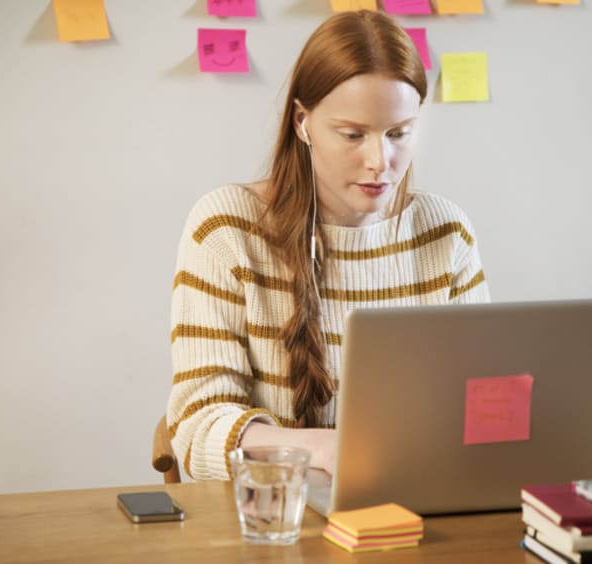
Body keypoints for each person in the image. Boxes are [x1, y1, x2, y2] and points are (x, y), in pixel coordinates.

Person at [167, 9, 490, 481]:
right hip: (275, 523)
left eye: (399, 133)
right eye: (353, 134)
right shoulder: (226, 229)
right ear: (303, 122)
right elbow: (197, 428)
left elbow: (480, 404)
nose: (381, 161)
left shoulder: (447, 232)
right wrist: (318, 448)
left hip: (418, 512)